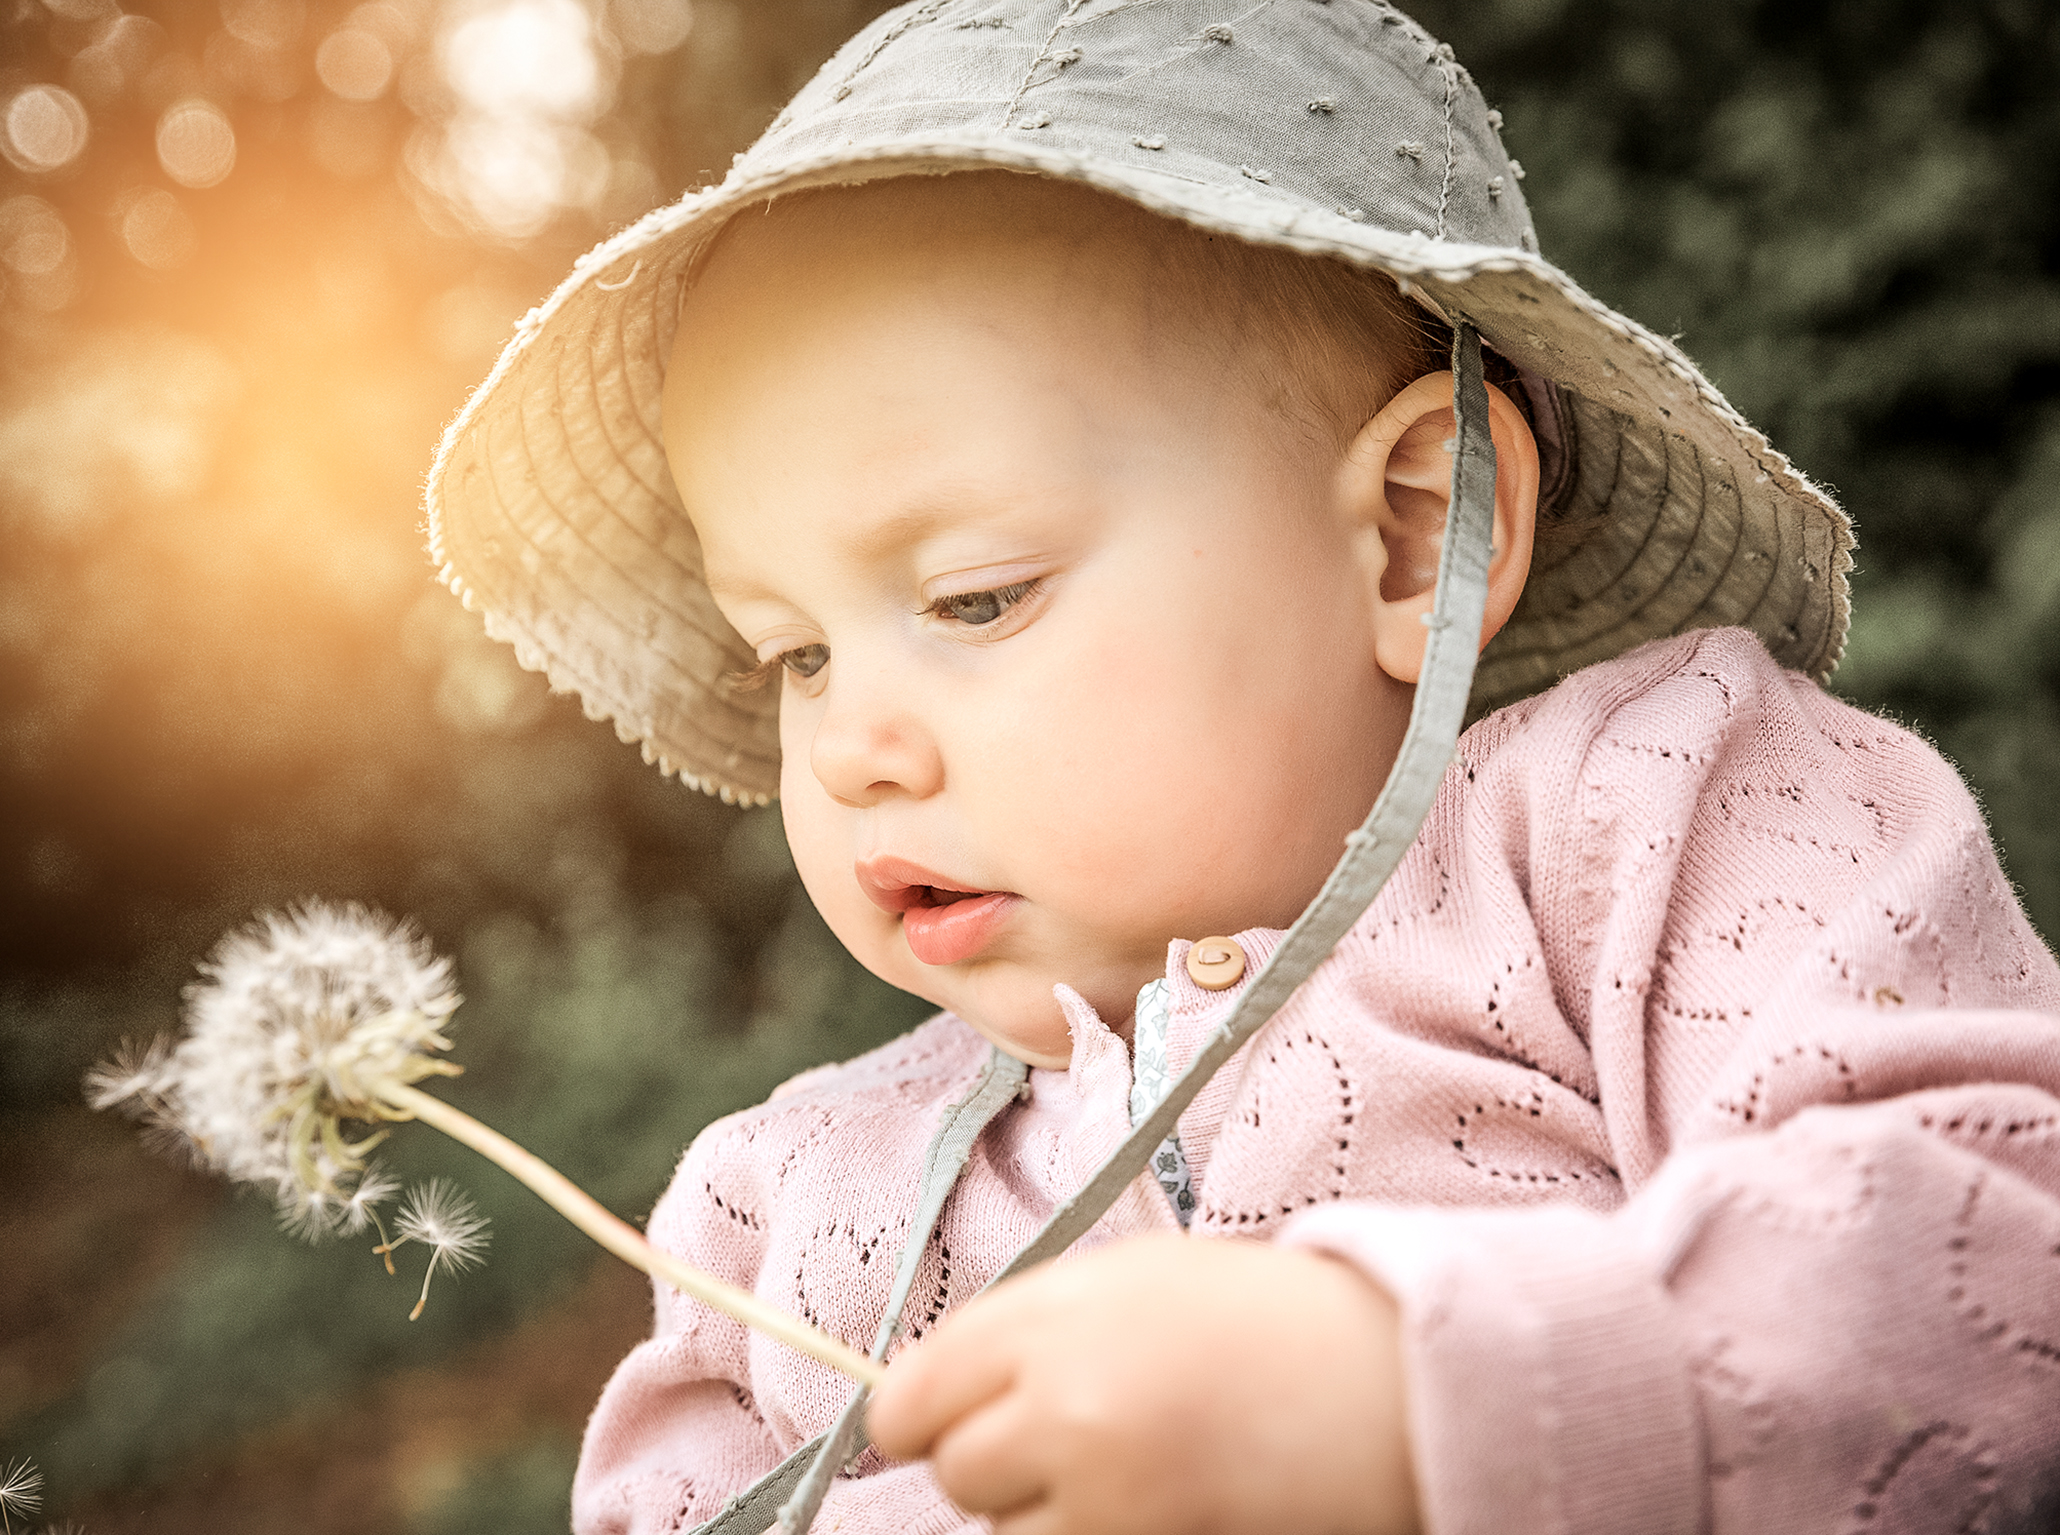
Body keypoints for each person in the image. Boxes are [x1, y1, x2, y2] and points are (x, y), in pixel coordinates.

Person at [423, 5, 2060, 1533]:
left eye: (974, 596)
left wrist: (1408, 1400)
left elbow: (1986, 1266)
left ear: (1413, 535)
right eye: (794, 652)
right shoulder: (779, 1213)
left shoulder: (1653, 826)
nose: (850, 747)